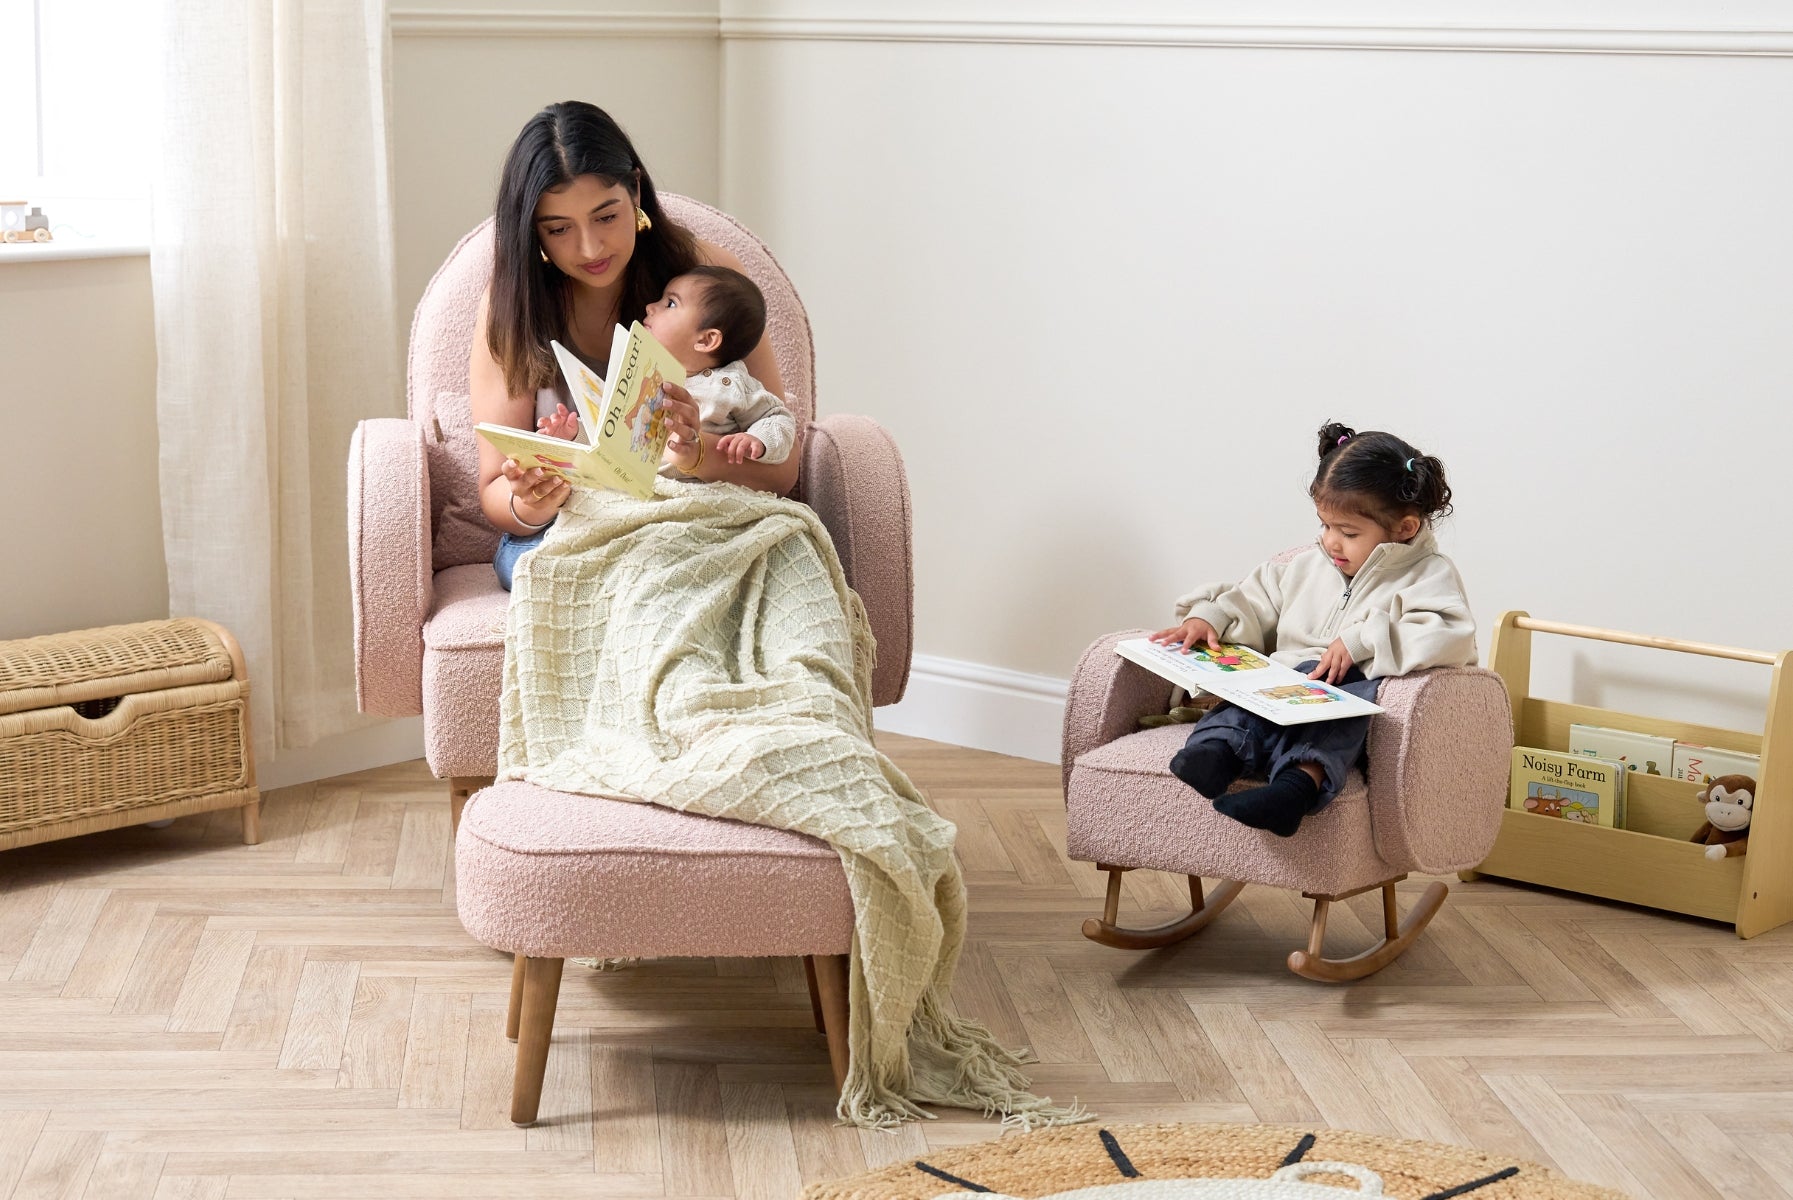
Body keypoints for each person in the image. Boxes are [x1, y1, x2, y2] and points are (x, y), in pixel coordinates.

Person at [470, 100, 796, 589]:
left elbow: (782, 469)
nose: (590, 248)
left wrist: (694, 452)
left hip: (691, 519)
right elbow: (496, 488)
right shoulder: (512, 305)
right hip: (572, 528)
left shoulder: (706, 281)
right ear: (533, 229)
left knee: (721, 559)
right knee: (538, 565)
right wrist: (532, 501)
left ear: (636, 191)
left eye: (606, 216)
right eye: (559, 229)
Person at [1150, 421, 1477, 837]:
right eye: (1325, 525)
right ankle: (1216, 754)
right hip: (1283, 690)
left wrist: (1360, 641)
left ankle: (1295, 788)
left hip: (1348, 708)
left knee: (1350, 697)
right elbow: (1253, 599)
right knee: (1250, 694)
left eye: (1348, 532)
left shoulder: (1429, 575)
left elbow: (1449, 633)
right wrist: (1209, 618)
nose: (1331, 542)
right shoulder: (1305, 566)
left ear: (1404, 528)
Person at [642, 266, 796, 474]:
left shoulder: (730, 383)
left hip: (706, 487)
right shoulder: (644, 370)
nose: (650, 307)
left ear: (706, 340)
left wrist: (756, 439)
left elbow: (778, 418)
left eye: (670, 303)